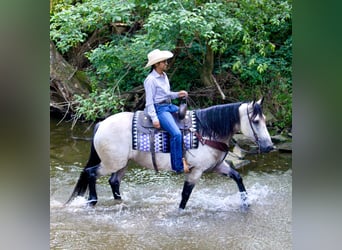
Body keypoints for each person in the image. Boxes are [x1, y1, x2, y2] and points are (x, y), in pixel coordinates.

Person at [143, 49, 188, 173]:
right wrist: (155, 118)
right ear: (156, 64)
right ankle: (177, 166)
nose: (166, 63)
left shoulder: (164, 76)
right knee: (176, 134)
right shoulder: (150, 80)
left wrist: (178, 94)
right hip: (159, 109)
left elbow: (167, 94)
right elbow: (149, 102)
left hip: (168, 106)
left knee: (191, 117)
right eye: (164, 61)